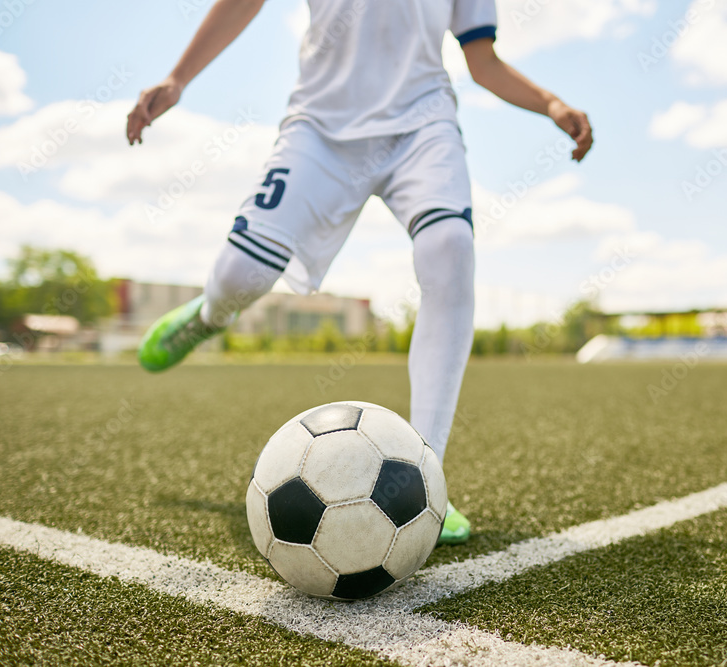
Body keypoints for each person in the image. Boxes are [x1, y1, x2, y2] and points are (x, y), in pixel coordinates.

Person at [126, 0, 593, 545]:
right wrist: (178, 77)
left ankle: (425, 477)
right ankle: (208, 315)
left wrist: (552, 104)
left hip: (422, 127)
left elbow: (483, 62)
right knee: (241, 276)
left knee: (450, 249)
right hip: (321, 129)